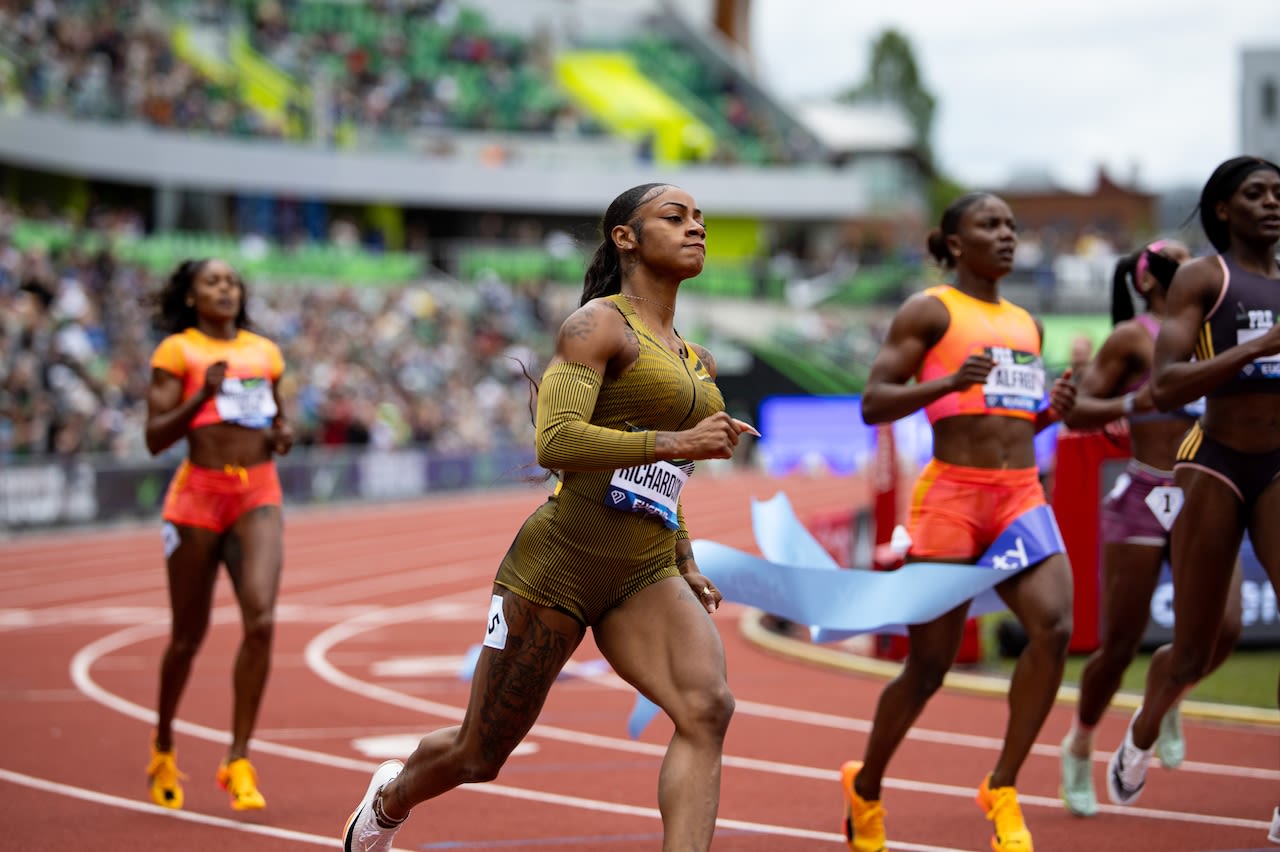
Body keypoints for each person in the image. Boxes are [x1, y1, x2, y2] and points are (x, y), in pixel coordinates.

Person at [340, 183, 756, 852]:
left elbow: (662, 482)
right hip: (558, 569)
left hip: (643, 573)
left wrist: (684, 556)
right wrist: (678, 441)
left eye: (701, 219)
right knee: (480, 754)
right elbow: (555, 441)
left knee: (708, 708)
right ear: (625, 237)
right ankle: (390, 800)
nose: (697, 229)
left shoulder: (697, 361)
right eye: (675, 218)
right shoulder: (597, 325)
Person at [839, 192, 1077, 852]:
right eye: (989, 225)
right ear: (952, 242)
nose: (1006, 236)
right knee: (928, 667)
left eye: (1011, 225)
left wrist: (1053, 410)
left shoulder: (1028, 324)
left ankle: (1002, 785)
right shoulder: (930, 311)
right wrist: (946, 384)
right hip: (951, 499)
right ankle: (867, 787)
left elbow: (1014, 421)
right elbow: (873, 403)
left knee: (1055, 628)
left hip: (1020, 494)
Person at [1105, 156, 1280, 844]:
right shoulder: (1206, 279)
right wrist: (1255, 348)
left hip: (1277, 464)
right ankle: (1144, 729)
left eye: (1279, 193)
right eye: (1255, 194)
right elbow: (1167, 385)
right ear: (1222, 211)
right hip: (1213, 465)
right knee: (1196, 649)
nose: (1272, 203)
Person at [1057, 240, 1243, 817]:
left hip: (1206, 491)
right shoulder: (1133, 337)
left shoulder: (1216, 333)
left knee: (1226, 628)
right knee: (1118, 647)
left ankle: (1162, 697)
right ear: (1150, 283)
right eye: (1180, 263)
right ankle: (1080, 743)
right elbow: (1080, 413)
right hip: (1143, 492)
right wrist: (1146, 397)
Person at [144, 257, 293, 811]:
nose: (225, 288)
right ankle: (162, 745)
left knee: (262, 620)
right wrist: (198, 398)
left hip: (257, 493)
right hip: (197, 498)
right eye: (212, 282)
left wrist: (282, 435)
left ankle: (238, 759)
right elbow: (154, 438)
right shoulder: (177, 351)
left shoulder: (265, 351)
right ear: (190, 296)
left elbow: (276, 420)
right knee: (188, 635)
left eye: (232, 281)